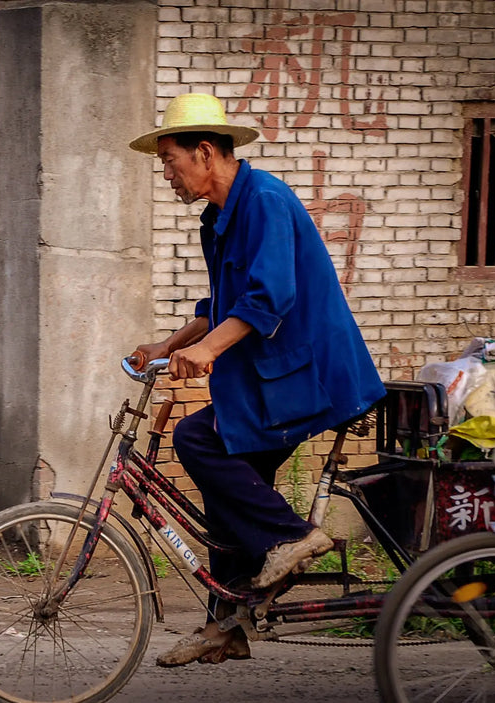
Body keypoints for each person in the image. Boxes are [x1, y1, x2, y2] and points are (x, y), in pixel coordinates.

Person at [127, 93, 386, 667]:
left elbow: (270, 296)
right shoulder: (221, 217)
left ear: (203, 152)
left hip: (307, 378)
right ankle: (230, 623)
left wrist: (210, 352)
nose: (167, 174)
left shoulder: (265, 200)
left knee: (197, 439)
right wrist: (169, 345)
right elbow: (221, 302)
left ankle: (292, 537)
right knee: (229, 491)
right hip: (269, 380)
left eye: (170, 160)